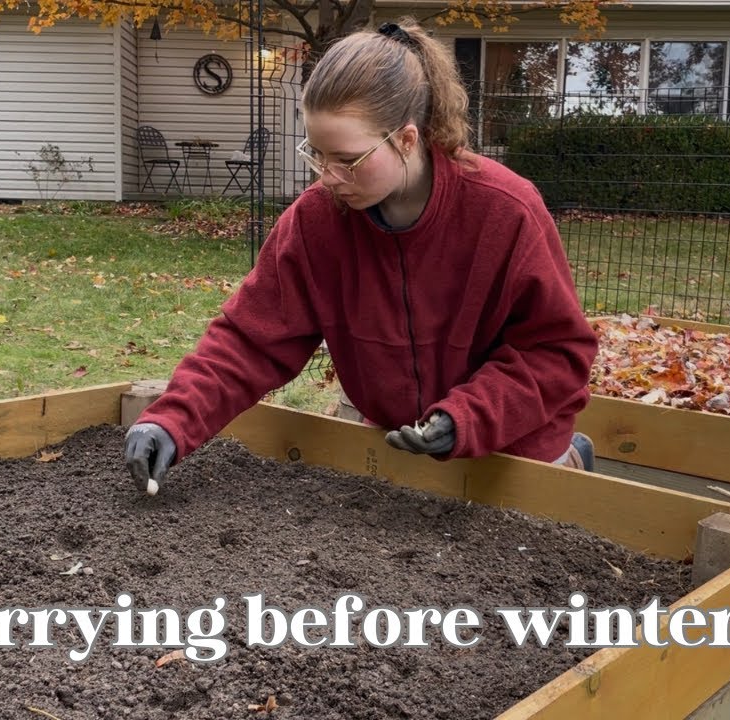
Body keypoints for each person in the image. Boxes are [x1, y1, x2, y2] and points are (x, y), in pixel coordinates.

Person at [124, 18, 598, 495]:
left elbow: (556, 353)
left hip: (514, 441)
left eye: (346, 160)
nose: (327, 177)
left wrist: (466, 417)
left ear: (407, 140)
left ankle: (571, 456)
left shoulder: (506, 211)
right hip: (396, 439)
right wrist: (171, 420)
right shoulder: (317, 220)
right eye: (317, 154)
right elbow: (251, 339)